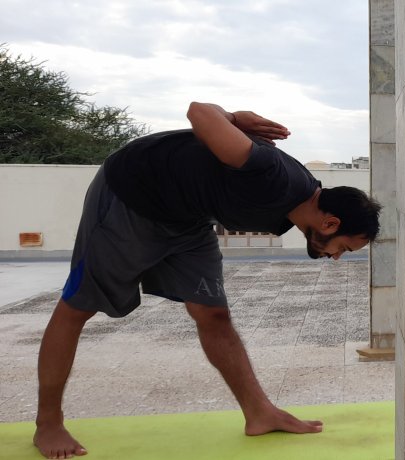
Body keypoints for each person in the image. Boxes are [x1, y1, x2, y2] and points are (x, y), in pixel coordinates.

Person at [33, 102, 382, 459]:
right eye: (343, 248)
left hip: (189, 221)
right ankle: (48, 423)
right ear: (330, 223)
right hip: (131, 197)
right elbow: (199, 112)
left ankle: (259, 413)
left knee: (214, 314)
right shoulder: (274, 176)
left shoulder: (295, 202)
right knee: (78, 307)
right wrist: (233, 118)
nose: (336, 257)